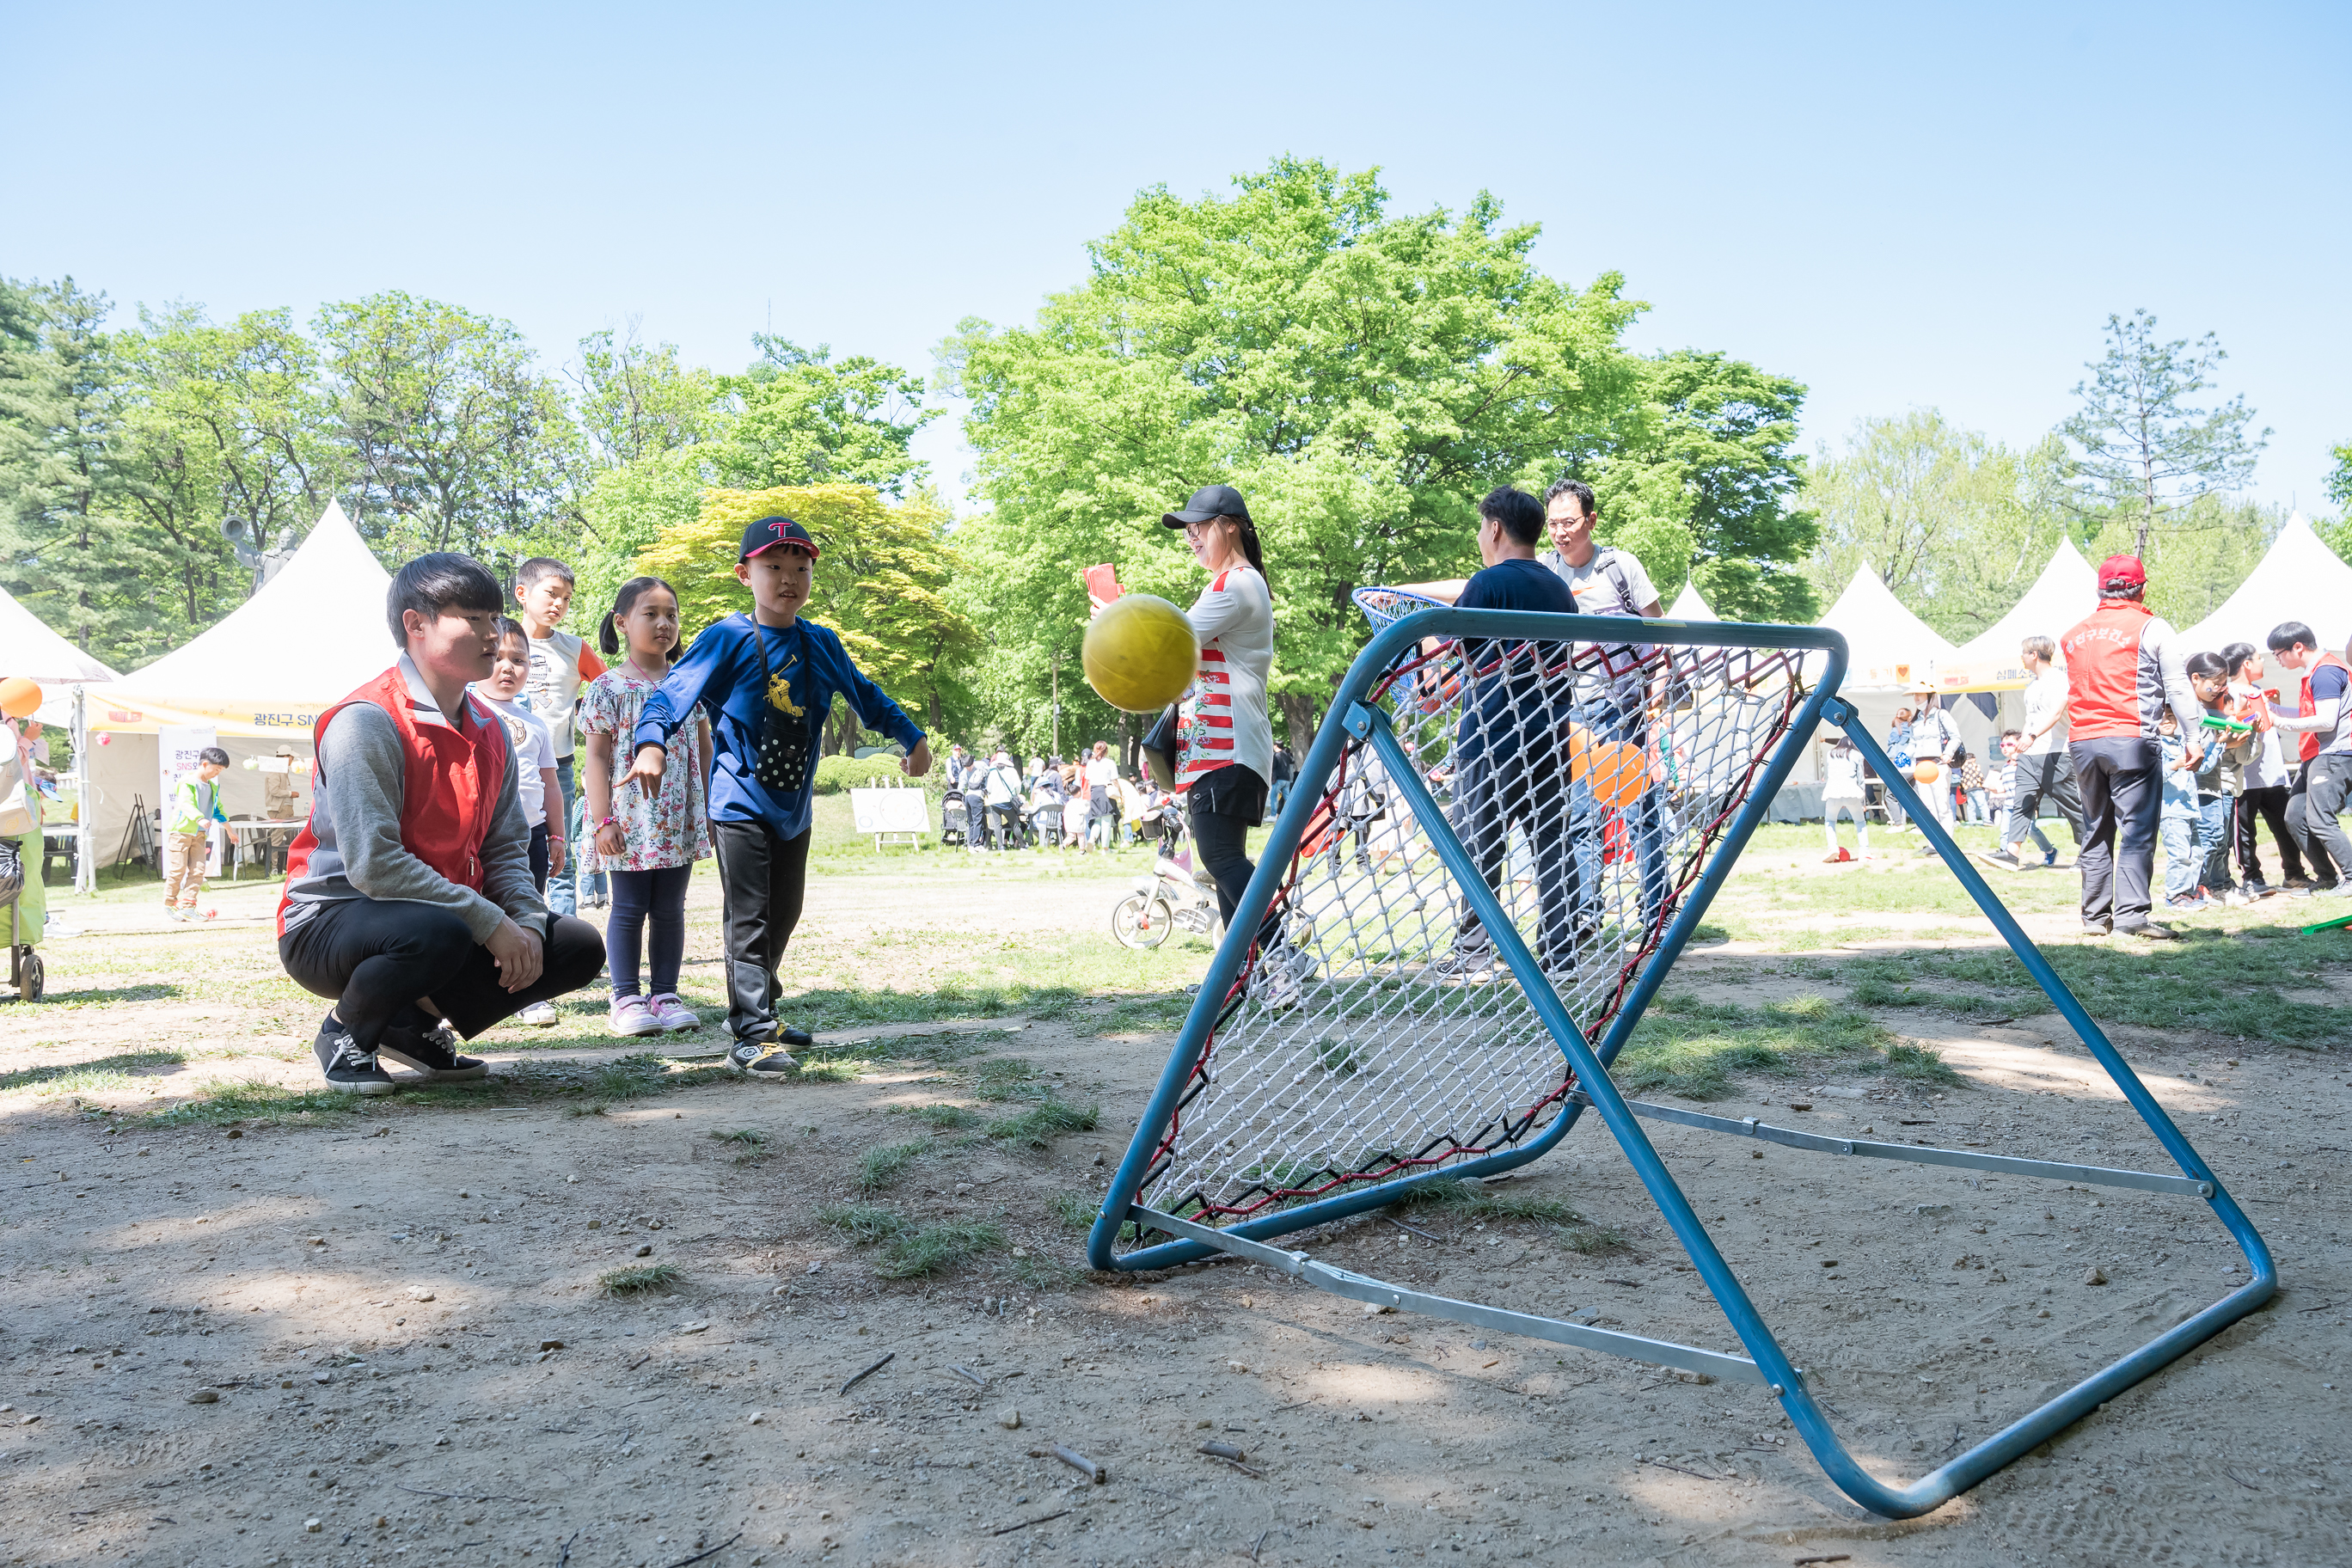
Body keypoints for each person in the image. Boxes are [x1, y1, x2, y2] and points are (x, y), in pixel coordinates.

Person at [278, 554, 606, 1093]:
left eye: (495, 618)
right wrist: (489, 922)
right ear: (416, 624)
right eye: (472, 619)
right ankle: (346, 1032)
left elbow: (504, 851)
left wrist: (523, 921)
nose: (492, 633)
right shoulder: (367, 720)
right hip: (332, 919)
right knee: (443, 931)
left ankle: (409, 1023)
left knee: (573, 944)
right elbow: (373, 865)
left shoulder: (493, 731)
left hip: (438, 919)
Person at [624, 517, 930, 1076]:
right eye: (773, 567)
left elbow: (867, 696)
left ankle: (758, 1007)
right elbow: (670, 697)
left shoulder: (821, 643)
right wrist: (651, 746)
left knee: (783, 914)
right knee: (750, 918)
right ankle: (751, 1034)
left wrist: (913, 737)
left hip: (794, 807)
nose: (788, 579)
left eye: (800, 568)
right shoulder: (728, 637)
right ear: (746, 574)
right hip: (738, 800)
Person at [1409, 486, 1582, 980]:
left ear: (1496, 529)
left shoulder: (1487, 584)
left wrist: (1425, 639)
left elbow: (1444, 663)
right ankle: (1560, 952)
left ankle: (1472, 950)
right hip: (1550, 734)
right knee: (1552, 839)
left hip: (1492, 736)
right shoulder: (1559, 590)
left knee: (1477, 843)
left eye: (1481, 528)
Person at [583, 577, 712, 1037]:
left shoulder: (689, 685)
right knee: (629, 906)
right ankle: (625, 997)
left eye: (672, 615)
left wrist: (708, 811)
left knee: (671, 907)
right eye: (651, 614)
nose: (664, 624)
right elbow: (595, 758)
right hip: (627, 820)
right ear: (621, 623)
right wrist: (603, 821)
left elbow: (704, 750)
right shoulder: (607, 688)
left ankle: (666, 993)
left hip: (677, 817)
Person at [2060, 554, 2202, 940]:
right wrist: (2193, 737)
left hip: (2083, 741)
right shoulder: (2152, 627)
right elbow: (2177, 685)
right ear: (2142, 587)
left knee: (2095, 828)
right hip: (2131, 737)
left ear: (2100, 590)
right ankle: (2130, 916)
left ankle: (2094, 918)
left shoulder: (2072, 634)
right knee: (2137, 830)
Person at [472, 621, 567, 1027]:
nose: (509, 668)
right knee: (479, 914)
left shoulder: (537, 724)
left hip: (531, 833)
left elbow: (551, 785)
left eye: (520, 660)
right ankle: (467, 990)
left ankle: (528, 994)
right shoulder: (467, 710)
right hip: (480, 837)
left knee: (530, 909)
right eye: (499, 658)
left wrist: (558, 835)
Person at [515, 557, 608, 916]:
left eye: (567, 598)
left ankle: (565, 946)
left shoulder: (574, 648)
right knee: (509, 852)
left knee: (561, 856)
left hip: (559, 768)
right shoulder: (496, 640)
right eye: (552, 594)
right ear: (522, 593)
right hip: (505, 764)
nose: (559, 604)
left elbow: (606, 689)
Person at [1981, 635, 2085, 870]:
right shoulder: (2031, 686)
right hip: (2030, 755)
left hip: (2056, 752)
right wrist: (2020, 745)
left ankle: (2089, 851)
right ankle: (2011, 853)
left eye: (2024, 653)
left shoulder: (2060, 680)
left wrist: (2032, 736)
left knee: (2070, 806)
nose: (2022, 657)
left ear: (2035, 655)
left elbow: (2056, 714)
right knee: (2022, 802)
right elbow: (2031, 719)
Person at [2263, 622, 2352, 895]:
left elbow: (2326, 721)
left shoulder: (2325, 671)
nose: (2277, 661)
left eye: (2278, 654)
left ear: (2297, 647)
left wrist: (2277, 721)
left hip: (2334, 754)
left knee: (2319, 818)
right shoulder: (2315, 671)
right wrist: (2273, 709)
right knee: (2295, 815)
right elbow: (2308, 714)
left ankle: (2350, 877)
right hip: (2316, 754)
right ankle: (2326, 878)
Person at [2223, 642, 2301, 895]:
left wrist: (2273, 705)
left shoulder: (2257, 690)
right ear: (2246, 664)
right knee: (2245, 832)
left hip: (2272, 773)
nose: (2263, 662)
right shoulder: (2230, 693)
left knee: (2286, 825)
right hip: (2245, 775)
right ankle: (2252, 878)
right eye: (2258, 658)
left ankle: (2295, 874)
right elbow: (2231, 726)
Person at [2184, 650, 2255, 908]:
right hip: (2198, 785)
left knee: (2216, 839)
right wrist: (2221, 742)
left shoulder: (2203, 708)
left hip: (2213, 783)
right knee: (2207, 840)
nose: (2219, 690)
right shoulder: (2187, 710)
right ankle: (2200, 888)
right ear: (2195, 678)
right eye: (2216, 683)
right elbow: (2200, 753)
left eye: (2224, 684)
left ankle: (2213, 886)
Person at [162, 746, 230, 922]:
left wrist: (230, 830)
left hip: (200, 834)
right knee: (178, 869)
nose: (217, 773)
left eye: (220, 771)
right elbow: (186, 804)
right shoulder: (188, 782)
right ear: (205, 764)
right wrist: (199, 818)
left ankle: (188, 906)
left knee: (199, 870)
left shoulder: (213, 787)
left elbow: (218, 810)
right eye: (216, 769)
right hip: (181, 832)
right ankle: (169, 904)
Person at [2155, 709, 2206, 914]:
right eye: (2162, 717)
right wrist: (2174, 765)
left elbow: (2203, 768)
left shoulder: (2181, 742)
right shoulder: (2155, 746)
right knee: (2180, 854)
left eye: (2171, 716)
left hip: (2189, 809)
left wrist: (2219, 743)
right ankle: (2175, 896)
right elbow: (2153, 778)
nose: (2167, 721)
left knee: (2196, 854)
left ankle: (2188, 894)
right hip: (2170, 810)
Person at [1903, 683, 1963, 845]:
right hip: (1921, 767)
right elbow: (1912, 743)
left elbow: (1955, 736)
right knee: (1927, 806)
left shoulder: (1941, 715)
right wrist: (1902, 756)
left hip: (1938, 765)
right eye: (1915, 695)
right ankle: (1934, 843)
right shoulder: (1915, 720)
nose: (1916, 698)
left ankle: (1947, 843)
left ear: (1929, 696)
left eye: (1920, 695)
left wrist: (1948, 753)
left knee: (1942, 805)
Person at [1994, 730, 2059, 866]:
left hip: (2025, 806)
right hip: (2009, 805)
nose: (2005, 747)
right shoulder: (2005, 766)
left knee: (2031, 830)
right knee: (2005, 830)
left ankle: (2050, 851)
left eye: (2009, 744)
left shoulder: (2025, 765)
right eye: (2002, 745)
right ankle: (2005, 855)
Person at [1821, 732, 1870, 861]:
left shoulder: (1830, 754)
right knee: (1860, 822)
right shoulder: (1857, 755)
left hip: (1833, 790)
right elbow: (1861, 779)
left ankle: (1832, 847)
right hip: (1851, 790)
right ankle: (1864, 852)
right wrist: (1863, 801)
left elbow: (1828, 774)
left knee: (1830, 821)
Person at [260, 744, 304, 877]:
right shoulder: (275, 771)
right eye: (291, 757)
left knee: (285, 838)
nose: (292, 760)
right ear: (286, 757)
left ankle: (282, 866)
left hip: (285, 808)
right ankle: (274, 867)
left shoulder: (282, 771)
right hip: (279, 809)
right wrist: (291, 793)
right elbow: (274, 791)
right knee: (276, 839)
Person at [982, 748, 1024, 849]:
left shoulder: (993, 772)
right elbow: (1018, 786)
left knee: (997, 824)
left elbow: (989, 788)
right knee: (1014, 824)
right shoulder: (1012, 771)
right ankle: (1023, 844)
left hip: (994, 802)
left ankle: (1000, 846)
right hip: (1007, 802)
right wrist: (1015, 793)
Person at [1083, 741, 1118, 849]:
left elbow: (1088, 781)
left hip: (1094, 792)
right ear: (1106, 751)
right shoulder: (1110, 763)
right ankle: (1105, 849)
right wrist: (1119, 793)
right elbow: (1115, 780)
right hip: (1105, 791)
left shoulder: (1090, 763)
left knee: (1097, 820)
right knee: (1106, 821)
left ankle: (1092, 839)